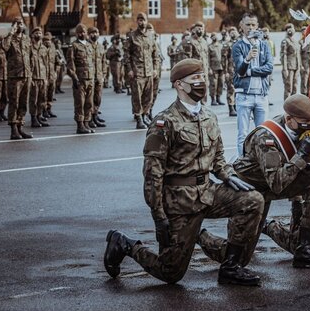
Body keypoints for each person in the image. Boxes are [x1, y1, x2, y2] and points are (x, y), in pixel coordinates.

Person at [104, 58, 264, 286]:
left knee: (253, 200)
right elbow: (152, 174)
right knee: (171, 273)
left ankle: (230, 267)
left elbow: (217, 158)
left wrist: (229, 174)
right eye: (195, 79)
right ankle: (125, 244)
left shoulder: (209, 116)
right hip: (179, 201)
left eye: (202, 77)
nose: (202, 82)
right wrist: (158, 216)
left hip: (207, 192)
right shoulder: (164, 122)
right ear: (179, 84)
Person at [198, 94, 310, 269]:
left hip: (271, 184)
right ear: (289, 119)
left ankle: (303, 249)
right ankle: (198, 234)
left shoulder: (306, 130)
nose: (308, 125)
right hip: (248, 191)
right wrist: (301, 155)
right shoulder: (267, 137)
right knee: (238, 259)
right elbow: (277, 183)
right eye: (303, 121)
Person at [232, 12, 274, 156]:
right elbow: (239, 70)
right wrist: (247, 59)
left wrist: (249, 71)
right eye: (247, 24)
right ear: (241, 26)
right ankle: (242, 163)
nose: (250, 27)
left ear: (258, 26)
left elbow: (269, 68)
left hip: (261, 95)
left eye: (253, 24)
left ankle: (261, 163)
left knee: (263, 133)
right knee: (243, 134)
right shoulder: (238, 46)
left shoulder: (264, 45)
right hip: (244, 96)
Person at [124, 13, 160, 129]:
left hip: (149, 71)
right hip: (137, 72)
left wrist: (155, 68)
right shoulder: (132, 36)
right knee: (137, 97)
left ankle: (145, 115)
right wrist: (129, 69)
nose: (142, 22)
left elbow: (155, 54)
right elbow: (126, 55)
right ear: (137, 22)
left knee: (148, 97)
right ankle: (139, 118)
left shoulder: (151, 36)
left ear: (146, 21)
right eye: (139, 20)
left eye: (143, 20)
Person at [2, 18, 33, 139]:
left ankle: (20, 126)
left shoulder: (26, 39)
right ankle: (13, 129)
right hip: (15, 76)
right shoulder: (10, 39)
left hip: (26, 75)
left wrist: (31, 73)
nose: (20, 25)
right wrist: (11, 32)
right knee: (14, 102)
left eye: (21, 23)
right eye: (18, 24)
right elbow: (4, 47)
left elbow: (30, 56)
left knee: (23, 103)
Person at [68, 24, 96, 134]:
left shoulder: (89, 45)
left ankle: (86, 123)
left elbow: (92, 62)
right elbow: (71, 63)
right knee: (80, 103)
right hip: (80, 79)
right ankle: (80, 125)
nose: (82, 34)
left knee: (89, 103)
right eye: (80, 32)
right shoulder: (74, 46)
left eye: (83, 32)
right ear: (76, 34)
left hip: (90, 78)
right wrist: (74, 77)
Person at [28, 27, 49, 128]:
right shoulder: (29, 47)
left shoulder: (44, 48)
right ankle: (33, 118)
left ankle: (39, 116)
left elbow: (46, 64)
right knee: (33, 99)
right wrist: (29, 78)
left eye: (40, 33)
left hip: (43, 77)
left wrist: (47, 78)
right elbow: (27, 64)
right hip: (34, 77)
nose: (38, 34)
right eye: (36, 33)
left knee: (42, 99)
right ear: (32, 35)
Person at [88, 27, 106, 128]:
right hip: (89, 76)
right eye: (92, 33)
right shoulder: (86, 46)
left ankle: (95, 115)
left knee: (98, 98)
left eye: (96, 32)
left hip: (99, 76)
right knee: (89, 99)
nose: (95, 34)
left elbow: (104, 62)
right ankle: (90, 118)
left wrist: (103, 74)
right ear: (89, 34)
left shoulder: (100, 47)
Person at [281, 23, 300, 100]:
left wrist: (299, 66)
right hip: (289, 67)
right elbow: (283, 55)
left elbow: (298, 54)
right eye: (289, 28)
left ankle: (293, 104)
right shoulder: (285, 41)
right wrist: (285, 68)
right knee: (289, 87)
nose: (291, 30)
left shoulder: (295, 41)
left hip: (296, 66)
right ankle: (287, 104)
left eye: (292, 28)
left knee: (295, 86)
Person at [223, 27, 238, 116]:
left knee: (238, 90)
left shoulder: (240, 43)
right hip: (230, 70)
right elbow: (224, 59)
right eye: (231, 32)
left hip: (239, 70)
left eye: (234, 31)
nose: (233, 33)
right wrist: (226, 72)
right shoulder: (227, 44)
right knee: (231, 89)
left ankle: (236, 106)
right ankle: (231, 107)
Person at [43, 32, 58, 119]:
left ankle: (49, 109)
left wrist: (55, 72)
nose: (47, 42)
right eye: (45, 40)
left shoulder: (53, 48)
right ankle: (43, 111)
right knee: (43, 94)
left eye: (49, 40)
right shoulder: (41, 48)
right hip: (43, 75)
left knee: (51, 93)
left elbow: (56, 61)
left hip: (52, 74)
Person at [208, 32, 226, 106]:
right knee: (213, 84)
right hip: (213, 68)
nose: (214, 37)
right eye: (212, 36)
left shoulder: (221, 46)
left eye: (215, 36)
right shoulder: (209, 47)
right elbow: (208, 59)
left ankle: (219, 98)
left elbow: (224, 57)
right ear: (211, 38)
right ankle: (213, 99)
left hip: (221, 67)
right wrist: (209, 68)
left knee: (221, 83)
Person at [0, 36, 9, 122]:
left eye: (4, 41)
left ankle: (2, 112)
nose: (2, 43)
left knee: (5, 96)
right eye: (1, 41)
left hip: (6, 77)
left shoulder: (6, 52)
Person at [299, 26, 310, 96]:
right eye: (303, 31)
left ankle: (309, 94)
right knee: (304, 80)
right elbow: (298, 55)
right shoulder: (301, 42)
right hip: (304, 64)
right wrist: (301, 65)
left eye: (305, 30)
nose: (304, 32)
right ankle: (303, 94)